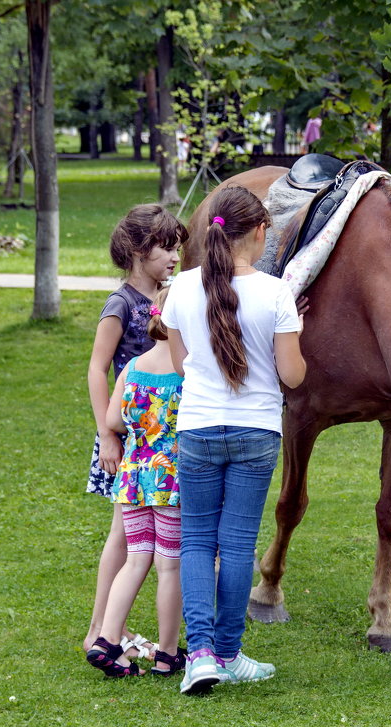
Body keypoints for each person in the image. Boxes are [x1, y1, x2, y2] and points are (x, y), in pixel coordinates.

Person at [161, 186, 306, 694]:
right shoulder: (276, 293)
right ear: (261, 232)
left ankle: (199, 655)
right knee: (238, 544)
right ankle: (227, 650)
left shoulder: (180, 287)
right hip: (256, 433)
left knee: (197, 541)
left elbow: (183, 366)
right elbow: (292, 376)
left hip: (198, 429)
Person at [83, 205, 188, 661]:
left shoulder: (172, 296)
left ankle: (113, 629)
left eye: (177, 245)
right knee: (124, 539)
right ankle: (100, 631)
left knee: (135, 542)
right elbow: (96, 366)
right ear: (138, 250)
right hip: (129, 438)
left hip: (156, 434)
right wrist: (107, 435)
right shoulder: (121, 303)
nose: (175, 255)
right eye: (166, 246)